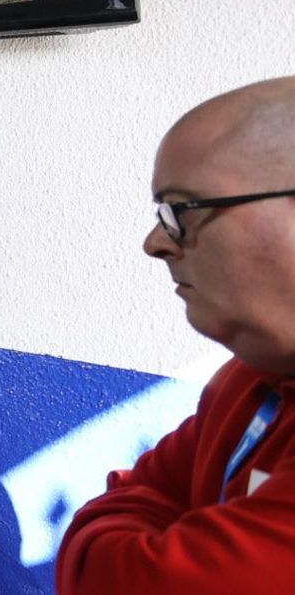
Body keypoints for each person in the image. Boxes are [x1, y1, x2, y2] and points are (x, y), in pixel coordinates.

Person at [57, 77, 295, 592]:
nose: (156, 242)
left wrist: (122, 540)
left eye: (180, 211)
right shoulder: (248, 379)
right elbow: (138, 499)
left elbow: (134, 579)